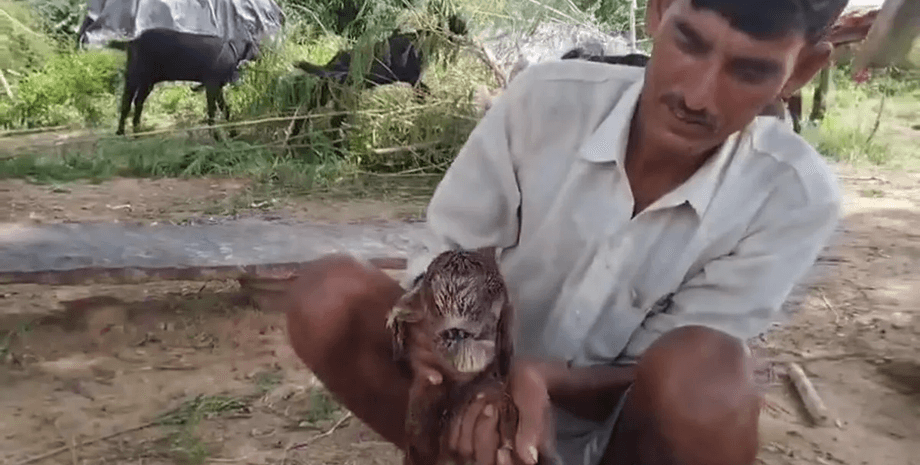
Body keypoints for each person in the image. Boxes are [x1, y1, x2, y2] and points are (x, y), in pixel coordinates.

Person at [283, 0, 848, 464]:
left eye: (749, 71)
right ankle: (450, 451)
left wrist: (544, 381)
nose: (698, 96)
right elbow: (461, 255)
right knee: (329, 292)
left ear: (801, 70)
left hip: (627, 442)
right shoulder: (544, 102)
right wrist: (477, 382)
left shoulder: (793, 196)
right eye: (688, 42)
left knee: (711, 382)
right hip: (470, 390)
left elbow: (678, 369)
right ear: (657, 11)